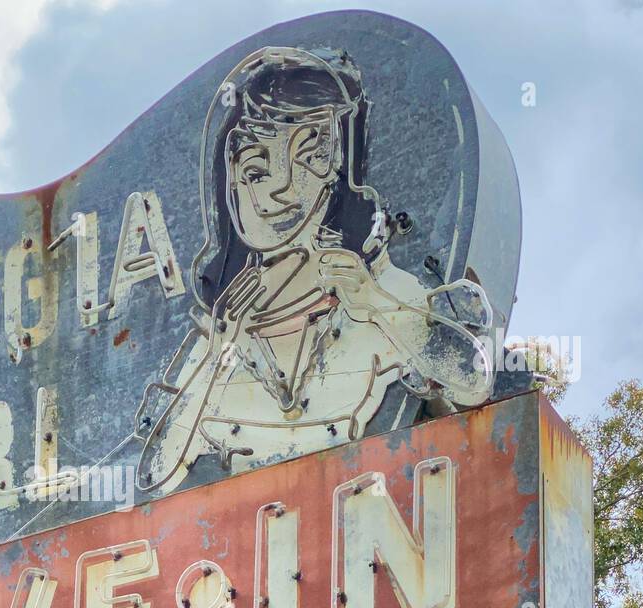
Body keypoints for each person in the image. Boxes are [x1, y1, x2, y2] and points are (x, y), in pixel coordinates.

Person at [135, 46, 494, 494]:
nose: (283, 189)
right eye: (257, 166)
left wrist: (379, 306)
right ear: (228, 177)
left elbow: (474, 381)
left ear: (338, 170)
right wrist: (219, 351)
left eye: (308, 156)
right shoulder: (221, 334)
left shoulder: (374, 290)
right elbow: (153, 477)